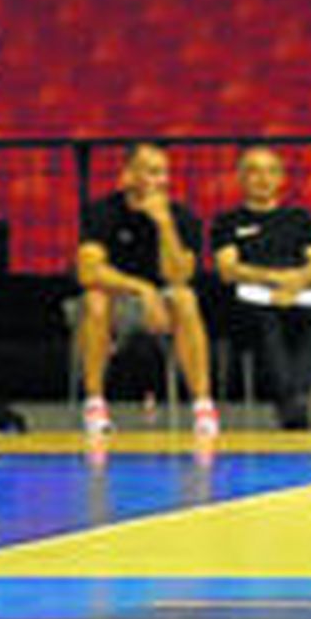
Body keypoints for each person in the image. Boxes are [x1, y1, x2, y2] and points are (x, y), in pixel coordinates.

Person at [76, 142, 220, 449]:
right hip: (118, 302)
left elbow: (180, 276)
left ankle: (202, 406)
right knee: (94, 300)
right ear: (128, 176)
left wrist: (165, 226)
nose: (162, 181)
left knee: (186, 298)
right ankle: (94, 404)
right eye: (153, 172)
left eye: (164, 173)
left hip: (166, 305)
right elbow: (89, 272)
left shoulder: (181, 216)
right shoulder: (103, 212)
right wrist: (143, 290)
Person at [211, 146, 311, 430]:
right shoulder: (228, 222)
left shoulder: (299, 218)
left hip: (297, 294)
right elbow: (228, 269)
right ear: (240, 179)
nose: (262, 179)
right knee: (267, 324)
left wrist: (295, 284)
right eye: (254, 171)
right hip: (250, 299)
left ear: (281, 179)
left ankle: (299, 395)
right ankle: (292, 399)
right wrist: (273, 280)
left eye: (270, 171)